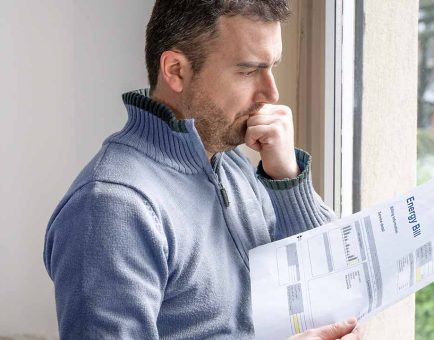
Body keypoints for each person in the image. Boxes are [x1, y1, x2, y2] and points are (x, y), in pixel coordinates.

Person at [43, 1, 361, 339]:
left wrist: (287, 179)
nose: (271, 93)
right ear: (176, 70)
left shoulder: (232, 163)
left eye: (272, 67)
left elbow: (337, 284)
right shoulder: (112, 206)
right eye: (248, 71)